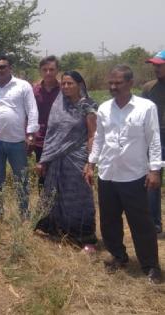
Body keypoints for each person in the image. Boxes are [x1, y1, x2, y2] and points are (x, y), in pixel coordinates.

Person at [86, 65, 162, 284]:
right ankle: (119, 256)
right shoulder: (104, 108)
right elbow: (99, 138)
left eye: (118, 83)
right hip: (108, 173)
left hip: (134, 175)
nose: (113, 87)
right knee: (109, 221)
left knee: (141, 223)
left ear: (130, 83)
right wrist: (91, 163)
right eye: (111, 83)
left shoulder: (145, 107)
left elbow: (154, 139)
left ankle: (150, 266)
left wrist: (154, 169)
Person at [34, 71, 97, 251]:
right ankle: (57, 231)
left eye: (70, 83)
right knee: (54, 194)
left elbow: (93, 135)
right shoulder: (58, 106)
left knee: (79, 198)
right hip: (56, 158)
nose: (66, 87)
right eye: (64, 84)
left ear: (80, 85)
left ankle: (85, 237)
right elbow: (51, 135)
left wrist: (90, 161)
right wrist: (44, 159)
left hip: (78, 158)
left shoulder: (88, 106)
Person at [0, 55, 39, 220]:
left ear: (10, 68)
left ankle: (24, 215)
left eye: (2, 67)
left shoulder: (23, 86)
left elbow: (32, 110)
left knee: (22, 180)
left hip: (17, 142)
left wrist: (31, 134)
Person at [143, 50, 165, 234]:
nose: (156, 68)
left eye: (160, 65)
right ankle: (153, 223)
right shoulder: (149, 88)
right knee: (153, 180)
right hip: (156, 138)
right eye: (154, 65)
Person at [31, 56, 60, 189]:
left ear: (57, 71)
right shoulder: (34, 91)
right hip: (41, 139)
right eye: (45, 69)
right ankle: (44, 207)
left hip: (61, 140)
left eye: (52, 69)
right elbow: (29, 114)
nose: (48, 73)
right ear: (40, 71)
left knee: (61, 175)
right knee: (42, 174)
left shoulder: (65, 90)